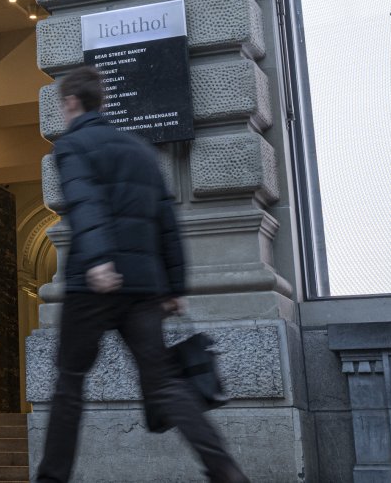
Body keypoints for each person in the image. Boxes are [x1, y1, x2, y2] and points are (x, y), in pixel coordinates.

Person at [36, 64, 249, 483]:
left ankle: (51, 479)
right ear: (102, 102)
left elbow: (85, 201)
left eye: (63, 105)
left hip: (94, 284)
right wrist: (175, 286)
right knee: (165, 382)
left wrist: (99, 260)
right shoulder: (139, 149)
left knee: (70, 383)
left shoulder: (72, 145)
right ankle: (225, 470)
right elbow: (166, 219)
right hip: (145, 288)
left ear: (72, 102)